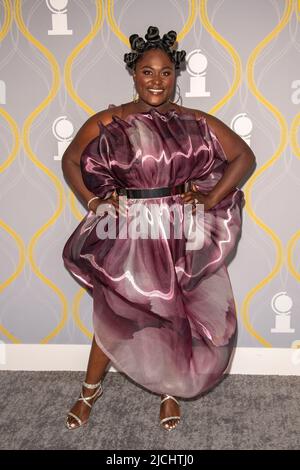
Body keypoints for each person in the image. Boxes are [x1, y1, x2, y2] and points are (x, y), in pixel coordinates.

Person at [61, 25, 255, 431]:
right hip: (130, 229)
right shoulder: (110, 120)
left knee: (175, 313)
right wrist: (93, 201)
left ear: (176, 76)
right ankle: (87, 393)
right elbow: (72, 159)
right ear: (134, 74)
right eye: (147, 71)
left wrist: (208, 198)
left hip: (178, 228)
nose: (156, 80)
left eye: (166, 72)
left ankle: (171, 392)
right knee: (119, 311)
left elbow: (243, 157)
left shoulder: (194, 120)